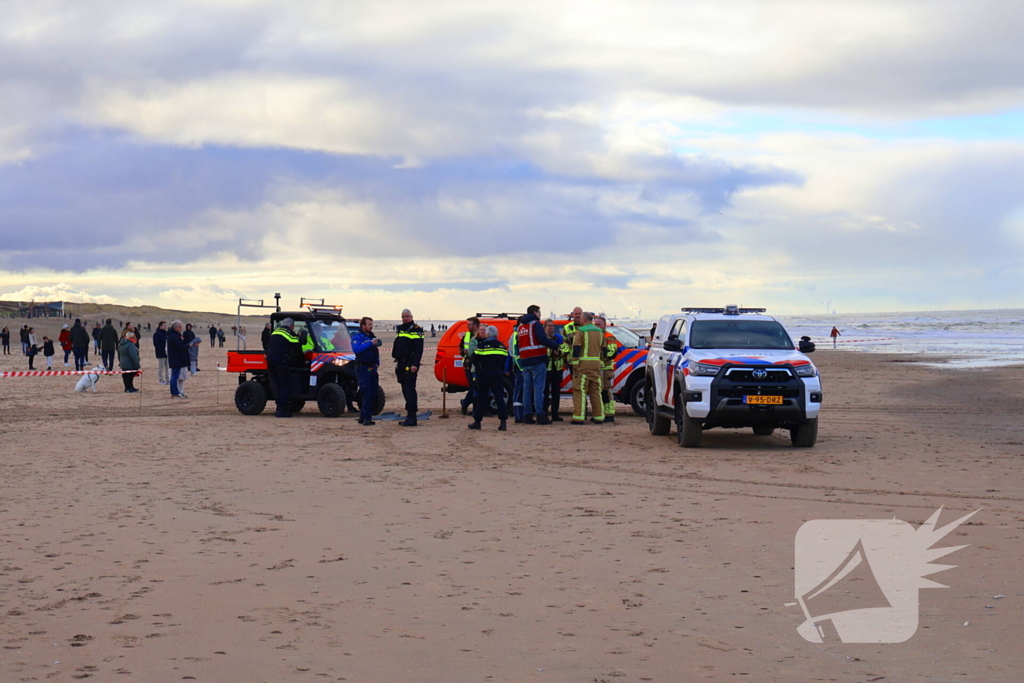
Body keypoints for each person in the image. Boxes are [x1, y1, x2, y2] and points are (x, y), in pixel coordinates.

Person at [515, 304, 560, 425]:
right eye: (539, 312)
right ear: (535, 313)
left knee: (527, 389)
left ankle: (527, 414)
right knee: (539, 389)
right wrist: (555, 345)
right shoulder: (536, 324)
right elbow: (542, 339)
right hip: (538, 359)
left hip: (525, 360)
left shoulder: (520, 327)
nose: (540, 315)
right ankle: (540, 415)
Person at [468, 325, 508, 431]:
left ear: (488, 334)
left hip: (484, 374)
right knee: (499, 398)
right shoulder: (501, 346)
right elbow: (505, 359)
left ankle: (477, 422)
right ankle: (503, 422)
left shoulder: (482, 345)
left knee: (482, 398)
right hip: (497, 374)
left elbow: (474, 359)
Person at [570, 312, 605, 425]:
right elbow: (604, 350)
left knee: (580, 391)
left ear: (584, 320)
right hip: (596, 366)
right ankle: (599, 417)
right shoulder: (600, 332)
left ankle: (578, 418)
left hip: (583, 367)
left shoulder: (580, 332)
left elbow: (576, 349)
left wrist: (575, 364)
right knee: (596, 392)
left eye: (580, 319)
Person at [265, 318, 304, 417]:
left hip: (271, 361)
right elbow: (297, 349)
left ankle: (279, 407)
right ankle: (281, 410)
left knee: (277, 385)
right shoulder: (290, 334)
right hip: (281, 362)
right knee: (285, 385)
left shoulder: (275, 332)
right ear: (291, 326)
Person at [392, 309, 424, 426]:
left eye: (407, 316)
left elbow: (419, 349)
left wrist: (415, 364)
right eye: (403, 317)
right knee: (404, 388)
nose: (405, 318)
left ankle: (412, 416)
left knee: (409, 389)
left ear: (411, 317)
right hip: (401, 363)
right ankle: (409, 415)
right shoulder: (400, 329)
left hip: (410, 364)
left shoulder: (417, 330)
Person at [351, 316, 383, 426]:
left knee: (373, 392)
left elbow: (375, 351)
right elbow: (356, 349)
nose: (371, 326)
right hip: (362, 368)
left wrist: (377, 363)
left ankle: (363, 417)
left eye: (371, 324)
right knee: (366, 393)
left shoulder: (372, 337)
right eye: (369, 324)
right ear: (363, 326)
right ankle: (366, 417)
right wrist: (370, 343)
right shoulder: (358, 337)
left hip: (371, 367)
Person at [593, 316, 620, 423]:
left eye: (599, 325)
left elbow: (611, 353)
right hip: (596, 369)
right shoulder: (596, 336)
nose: (597, 327)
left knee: (606, 392)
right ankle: (601, 413)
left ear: (604, 325)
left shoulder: (609, 337)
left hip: (606, 369)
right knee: (597, 392)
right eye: (596, 325)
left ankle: (609, 414)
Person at [542, 319, 569, 422]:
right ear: (544, 328)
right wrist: (552, 351)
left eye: (552, 326)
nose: (551, 328)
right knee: (543, 393)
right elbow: (542, 351)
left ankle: (555, 414)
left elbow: (566, 348)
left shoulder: (558, 338)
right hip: (545, 370)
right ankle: (543, 413)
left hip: (557, 369)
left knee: (556, 393)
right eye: (549, 326)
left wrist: (560, 352)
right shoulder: (542, 339)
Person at [459, 317, 482, 415]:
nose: (468, 326)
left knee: (476, 387)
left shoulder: (481, 335)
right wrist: (463, 351)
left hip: (479, 364)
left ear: (476, 325)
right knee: (473, 386)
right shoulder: (467, 335)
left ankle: (467, 403)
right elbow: (460, 347)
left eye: (470, 324)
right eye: (468, 324)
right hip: (468, 364)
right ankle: (469, 405)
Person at [166, 321, 190, 398]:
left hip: (177, 359)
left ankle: (175, 393)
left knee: (175, 376)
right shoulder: (173, 336)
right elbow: (179, 346)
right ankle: (175, 393)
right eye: (179, 327)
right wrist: (188, 345)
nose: (181, 328)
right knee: (175, 377)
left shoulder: (176, 335)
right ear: (175, 328)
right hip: (176, 359)